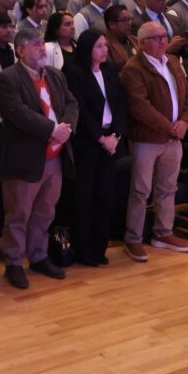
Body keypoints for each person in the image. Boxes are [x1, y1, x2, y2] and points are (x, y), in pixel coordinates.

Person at [0, 28, 78, 289]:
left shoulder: (55, 74)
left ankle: (39, 255)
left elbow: (72, 104)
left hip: (55, 158)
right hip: (25, 159)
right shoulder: (7, 78)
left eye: (42, 43)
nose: (42, 48)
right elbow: (18, 113)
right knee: (18, 214)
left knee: (45, 212)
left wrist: (66, 130)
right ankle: (14, 262)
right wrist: (53, 130)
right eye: (35, 45)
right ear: (20, 51)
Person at [119, 21, 188, 262]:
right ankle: (133, 238)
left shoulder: (173, 62)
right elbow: (140, 107)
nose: (163, 41)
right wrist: (170, 127)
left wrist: (185, 121)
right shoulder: (133, 68)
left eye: (165, 36)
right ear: (142, 43)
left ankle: (163, 233)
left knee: (168, 188)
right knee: (141, 191)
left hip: (174, 138)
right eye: (156, 38)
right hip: (148, 140)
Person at [64, 30, 127, 266]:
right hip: (87, 143)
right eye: (99, 46)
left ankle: (100, 248)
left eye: (105, 46)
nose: (104, 50)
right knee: (84, 196)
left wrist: (116, 135)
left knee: (105, 195)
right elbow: (79, 109)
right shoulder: (74, 72)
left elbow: (120, 103)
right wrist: (101, 138)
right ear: (87, 48)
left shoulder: (110, 70)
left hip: (111, 140)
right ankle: (83, 250)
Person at [104, 4, 137, 72]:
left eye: (130, 20)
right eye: (124, 20)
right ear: (111, 24)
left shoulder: (135, 40)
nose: (129, 23)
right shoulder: (105, 45)